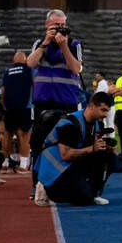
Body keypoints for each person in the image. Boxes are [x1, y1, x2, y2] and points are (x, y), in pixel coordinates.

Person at [25, 10, 86, 173]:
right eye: (56, 25)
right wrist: (46, 42)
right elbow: (30, 63)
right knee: (39, 141)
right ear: (47, 25)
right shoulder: (40, 42)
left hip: (67, 101)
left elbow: (76, 69)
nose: (60, 28)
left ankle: (65, 177)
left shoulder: (74, 44)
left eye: (62, 25)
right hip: (42, 101)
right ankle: (37, 181)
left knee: (68, 140)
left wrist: (63, 45)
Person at [33, 91, 116, 207]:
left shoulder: (96, 124)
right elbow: (66, 155)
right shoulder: (70, 125)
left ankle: (94, 193)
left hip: (70, 165)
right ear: (92, 106)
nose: (106, 114)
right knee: (83, 200)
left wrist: (104, 148)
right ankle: (45, 188)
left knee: (108, 157)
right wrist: (92, 148)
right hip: (55, 170)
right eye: (103, 110)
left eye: (108, 110)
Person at [0, 49, 34, 170]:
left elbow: (2, 92)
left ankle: (4, 163)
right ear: (25, 60)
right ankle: (23, 164)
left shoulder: (7, 72)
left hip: (9, 108)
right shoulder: (29, 70)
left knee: (7, 134)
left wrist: (4, 106)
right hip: (25, 107)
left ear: (13, 61)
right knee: (25, 135)